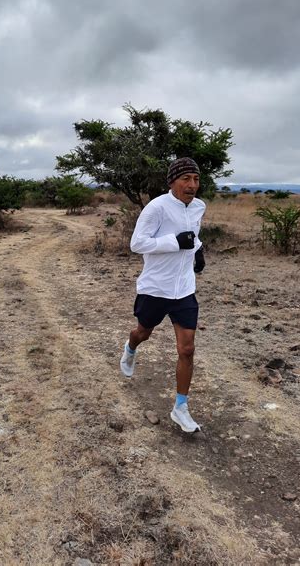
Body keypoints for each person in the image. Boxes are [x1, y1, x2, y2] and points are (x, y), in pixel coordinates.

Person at [120, 157, 206, 433]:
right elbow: (137, 244)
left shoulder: (199, 207)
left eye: (196, 179)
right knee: (143, 332)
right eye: (186, 179)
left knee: (187, 348)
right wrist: (174, 243)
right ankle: (131, 348)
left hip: (183, 288)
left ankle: (180, 408)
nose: (192, 185)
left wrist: (198, 249)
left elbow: (193, 235)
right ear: (172, 181)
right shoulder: (156, 208)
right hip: (156, 288)